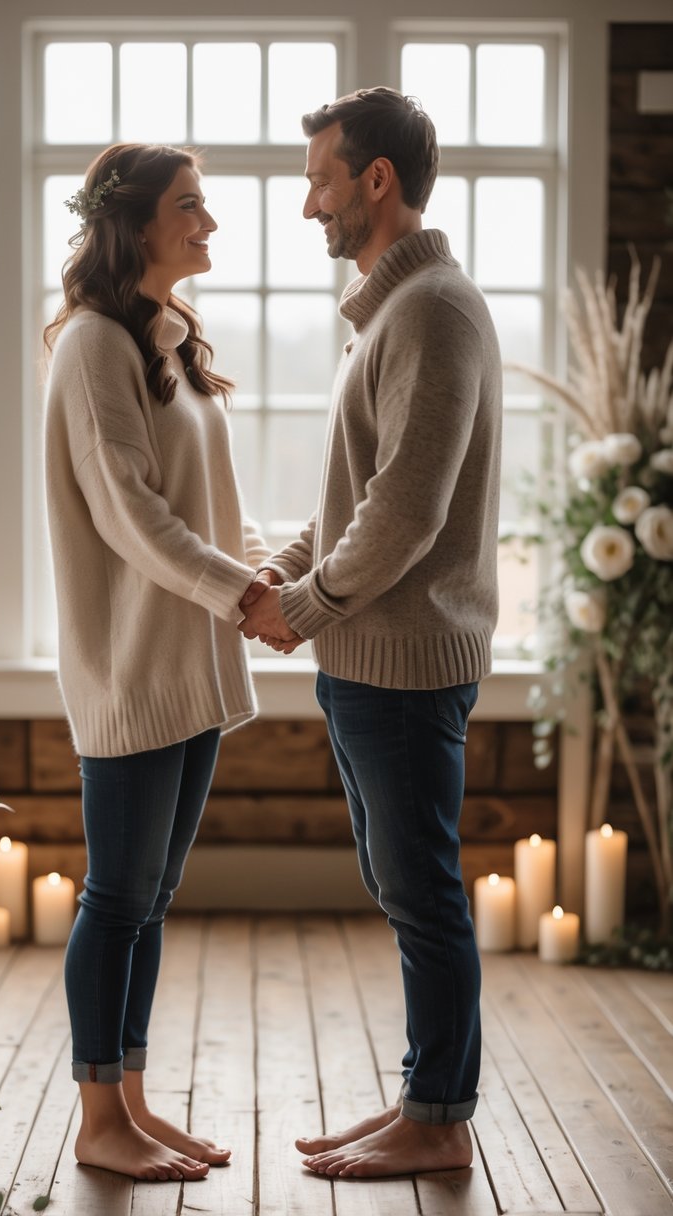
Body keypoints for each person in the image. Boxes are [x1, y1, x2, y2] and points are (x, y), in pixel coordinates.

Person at [239, 87, 502, 1178]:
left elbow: (405, 508)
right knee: (406, 889)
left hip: (399, 665)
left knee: (421, 893)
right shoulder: (395, 313)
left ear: (375, 180)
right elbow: (356, 499)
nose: (310, 205)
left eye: (319, 179)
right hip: (371, 659)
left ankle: (438, 1118)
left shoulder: (432, 308)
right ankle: (421, 1097)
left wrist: (301, 608)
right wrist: (286, 569)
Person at [43, 142, 270, 1182]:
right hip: (133, 667)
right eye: (190, 205)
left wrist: (277, 574)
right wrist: (245, 594)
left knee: (152, 897)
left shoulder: (168, 343)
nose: (209, 223)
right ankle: (98, 1120)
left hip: (189, 664)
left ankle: (130, 1102)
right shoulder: (91, 345)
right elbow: (132, 519)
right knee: (118, 898)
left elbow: (207, 507)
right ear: (132, 224)